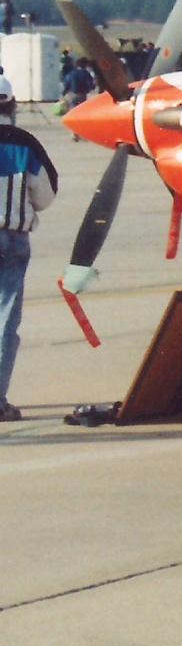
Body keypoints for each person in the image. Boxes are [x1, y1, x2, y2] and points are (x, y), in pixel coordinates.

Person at [0, 76, 58, 421]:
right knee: (5, 320)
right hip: (12, 239)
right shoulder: (25, 143)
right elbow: (45, 195)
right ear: (12, 105)